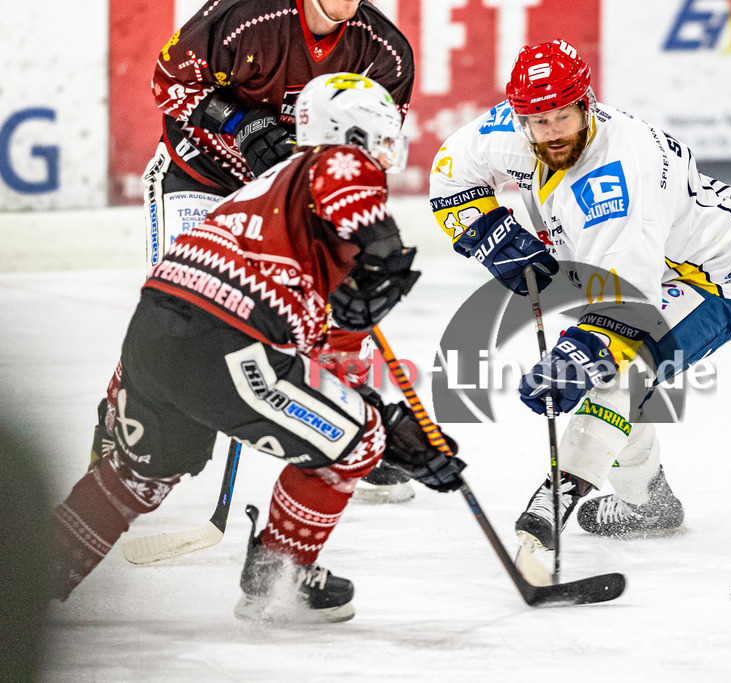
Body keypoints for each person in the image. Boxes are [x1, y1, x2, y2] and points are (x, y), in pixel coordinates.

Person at [54, 74, 466, 624]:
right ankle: (277, 578)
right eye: (381, 135)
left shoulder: (276, 196)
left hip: (153, 333)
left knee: (139, 477)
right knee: (358, 438)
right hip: (226, 342)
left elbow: (324, 366)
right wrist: (380, 245)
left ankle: (28, 579)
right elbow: (345, 173)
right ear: (351, 134)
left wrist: (395, 433)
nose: (387, 151)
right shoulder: (335, 167)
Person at [428, 40, 731, 552]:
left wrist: (583, 355)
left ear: (587, 103)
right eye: (538, 120)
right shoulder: (510, 130)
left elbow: (631, 303)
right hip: (606, 269)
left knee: (618, 370)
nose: (552, 131)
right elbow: (450, 173)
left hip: (702, 280)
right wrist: (489, 233)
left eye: (563, 116)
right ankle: (648, 502)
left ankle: (554, 501)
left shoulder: (619, 178)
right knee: (606, 368)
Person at [90, 0, 418, 500]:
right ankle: (121, 428)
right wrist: (238, 121)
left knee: (338, 308)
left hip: (289, 196)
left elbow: (373, 148)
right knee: (183, 311)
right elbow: (169, 82)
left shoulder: (384, 52)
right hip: (201, 174)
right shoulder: (248, 16)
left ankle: (347, 439)